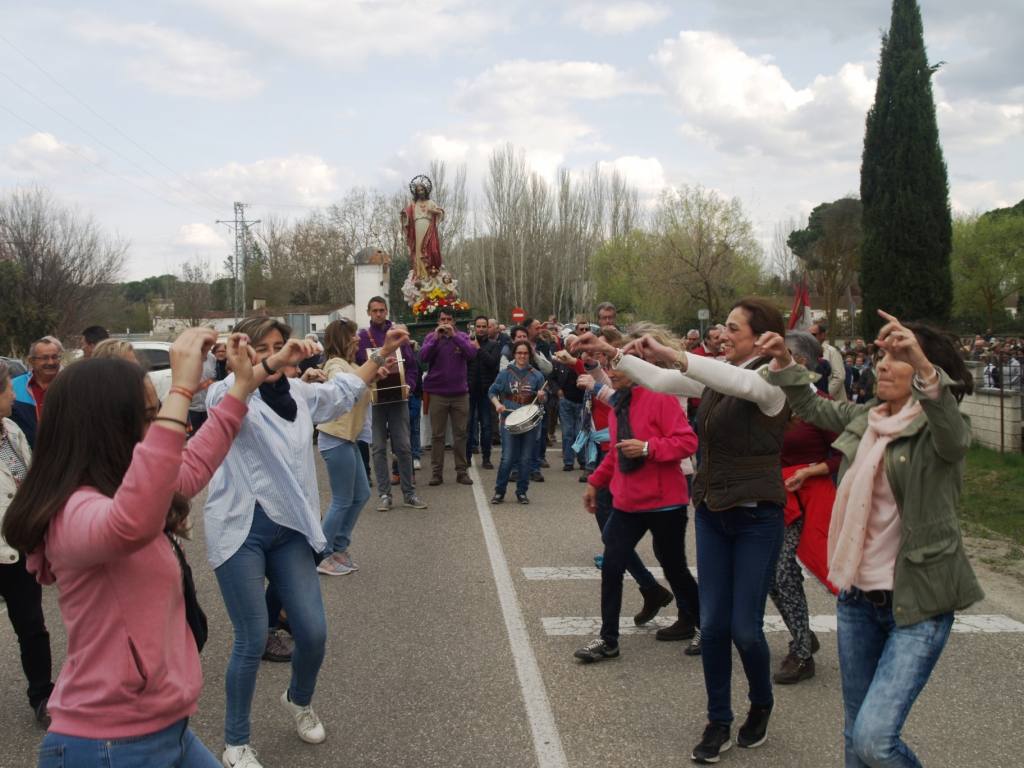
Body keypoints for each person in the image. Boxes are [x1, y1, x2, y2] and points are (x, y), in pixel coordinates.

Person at [3, 328, 258, 768]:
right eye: (148, 417)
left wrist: (242, 387)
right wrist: (180, 389)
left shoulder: (124, 490)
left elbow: (190, 464)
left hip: (167, 730)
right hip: (106, 746)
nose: (161, 428)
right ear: (106, 428)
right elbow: (132, 523)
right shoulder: (73, 513)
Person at [760, 311, 982, 768]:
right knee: (854, 733)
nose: (882, 364)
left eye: (896, 358)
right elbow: (815, 406)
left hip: (916, 602)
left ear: (921, 368)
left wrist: (919, 359)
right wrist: (784, 361)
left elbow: (955, 436)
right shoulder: (868, 419)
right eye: (882, 356)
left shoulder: (942, 431)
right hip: (859, 599)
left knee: (875, 740)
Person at [578, 297, 789, 764]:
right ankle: (718, 720)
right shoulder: (715, 375)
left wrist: (675, 353)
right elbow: (665, 379)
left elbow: (734, 381)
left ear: (761, 336)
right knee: (713, 626)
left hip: (758, 519)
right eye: (723, 327)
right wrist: (612, 356)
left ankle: (761, 702)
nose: (722, 333)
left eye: (733, 328)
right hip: (715, 513)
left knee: (746, 631)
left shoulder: (772, 381)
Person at [204, 317, 410, 768]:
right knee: (252, 635)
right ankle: (236, 741)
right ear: (244, 352)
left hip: (289, 530)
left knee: (312, 633)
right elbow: (227, 399)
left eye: (280, 345)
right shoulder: (226, 393)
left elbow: (343, 393)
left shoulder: (297, 394)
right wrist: (275, 361)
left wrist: (382, 352)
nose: (277, 354)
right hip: (239, 530)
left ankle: (298, 700)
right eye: (264, 347)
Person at [573, 340, 700, 663]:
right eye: (607, 368)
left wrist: (648, 448)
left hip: (665, 502)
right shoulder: (620, 405)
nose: (609, 373)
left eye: (615, 367)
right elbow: (616, 452)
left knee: (674, 567)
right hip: (627, 502)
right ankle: (608, 640)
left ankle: (704, 626)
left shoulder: (660, 398)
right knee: (612, 565)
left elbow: (687, 441)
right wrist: (595, 483)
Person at [769, 331, 839, 685]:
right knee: (770, 575)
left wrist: (813, 470)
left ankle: (801, 653)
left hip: (810, 493)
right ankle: (802, 634)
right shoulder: (770, 399)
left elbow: (843, 450)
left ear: (802, 363)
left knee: (783, 571)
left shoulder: (819, 403)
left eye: (785, 354)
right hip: (775, 493)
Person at [0, 360, 54, 728]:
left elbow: (32, 475)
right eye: (6, 389)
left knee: (32, 625)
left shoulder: (10, 429)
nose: (11, 394)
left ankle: (43, 695)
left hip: (18, 547)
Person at [316, 319, 374, 577]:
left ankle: (339, 548)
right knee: (341, 499)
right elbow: (344, 384)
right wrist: (375, 367)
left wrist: (376, 373)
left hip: (347, 438)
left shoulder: (351, 365)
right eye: (353, 335)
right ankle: (321, 554)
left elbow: (361, 382)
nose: (358, 339)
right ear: (343, 338)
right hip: (334, 438)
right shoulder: (334, 365)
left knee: (361, 494)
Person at [356, 296, 425, 511]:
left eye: (382, 310)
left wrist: (410, 386)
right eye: (374, 310)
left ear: (387, 311)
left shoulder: (398, 334)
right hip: (375, 401)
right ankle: (384, 495)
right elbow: (358, 368)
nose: (378, 314)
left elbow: (412, 367)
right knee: (377, 448)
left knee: (403, 447)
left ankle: (409, 493)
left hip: (398, 398)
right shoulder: (362, 338)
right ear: (369, 312)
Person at [420, 309, 477, 486]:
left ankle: (462, 471)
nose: (445, 322)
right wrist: (435, 339)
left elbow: (471, 354)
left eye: (449, 319)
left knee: (460, 434)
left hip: (460, 393)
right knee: (438, 436)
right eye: (442, 319)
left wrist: (455, 337)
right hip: (438, 393)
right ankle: (437, 473)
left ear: (454, 321)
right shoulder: (431, 337)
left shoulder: (462, 337)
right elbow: (422, 357)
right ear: (438, 321)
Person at [489, 341, 546, 504]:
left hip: (529, 422)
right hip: (509, 420)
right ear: (514, 355)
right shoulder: (505, 373)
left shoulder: (537, 375)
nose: (522, 356)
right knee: (507, 458)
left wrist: (542, 396)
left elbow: (544, 399)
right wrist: (498, 404)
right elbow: (492, 392)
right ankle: (499, 491)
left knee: (526, 458)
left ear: (529, 355)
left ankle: (522, 492)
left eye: (525, 353)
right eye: (519, 353)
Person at [11, 335, 64, 448]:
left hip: (64, 456)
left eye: (55, 357)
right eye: (44, 358)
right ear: (31, 361)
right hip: (28, 457)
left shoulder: (71, 385)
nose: (51, 362)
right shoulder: (13, 386)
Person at [467, 315, 501, 470]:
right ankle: (466, 457)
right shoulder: (468, 344)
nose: (480, 329)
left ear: (488, 328)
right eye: (478, 326)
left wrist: (479, 349)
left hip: (487, 392)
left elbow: (492, 363)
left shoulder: (494, 345)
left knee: (486, 426)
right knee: (468, 425)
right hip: (470, 390)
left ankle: (486, 458)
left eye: (483, 326)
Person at [401, 175, 445, 279]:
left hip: (428, 227)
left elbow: (441, 212)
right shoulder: (413, 205)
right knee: (418, 250)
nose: (420, 192)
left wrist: (432, 211)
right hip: (417, 227)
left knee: (431, 249)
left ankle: (430, 271)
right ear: (416, 192)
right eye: (418, 190)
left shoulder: (431, 203)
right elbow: (407, 216)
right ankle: (421, 274)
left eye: (422, 189)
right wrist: (404, 215)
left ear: (425, 191)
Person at [810, 321, 848, 402]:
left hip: (832, 402)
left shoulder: (832, 352)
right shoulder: (806, 353)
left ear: (822, 335)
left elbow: (839, 377)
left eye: (813, 335)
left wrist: (822, 395)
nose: (809, 337)